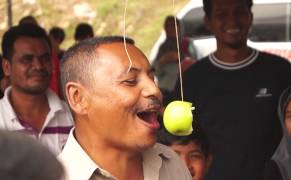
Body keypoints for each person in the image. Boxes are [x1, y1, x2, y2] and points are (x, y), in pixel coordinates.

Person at [171, 0, 291, 179]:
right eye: (222, 14)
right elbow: (179, 142)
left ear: (250, 17)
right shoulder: (192, 79)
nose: (232, 21)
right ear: (208, 21)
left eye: (239, 12)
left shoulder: (279, 71)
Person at [58, 36, 192, 180]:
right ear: (78, 98)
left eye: (152, 78)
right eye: (130, 81)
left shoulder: (171, 162)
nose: (155, 90)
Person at [0, 24, 74, 155]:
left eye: (45, 58)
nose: (38, 66)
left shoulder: (73, 117)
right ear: (7, 67)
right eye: (27, 59)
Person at [153, 15, 193, 100]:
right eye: (167, 26)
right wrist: (163, 60)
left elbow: (197, 67)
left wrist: (182, 59)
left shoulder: (187, 44)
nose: (170, 28)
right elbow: (155, 72)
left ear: (179, 27)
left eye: (173, 25)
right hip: (166, 91)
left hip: (186, 89)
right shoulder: (163, 47)